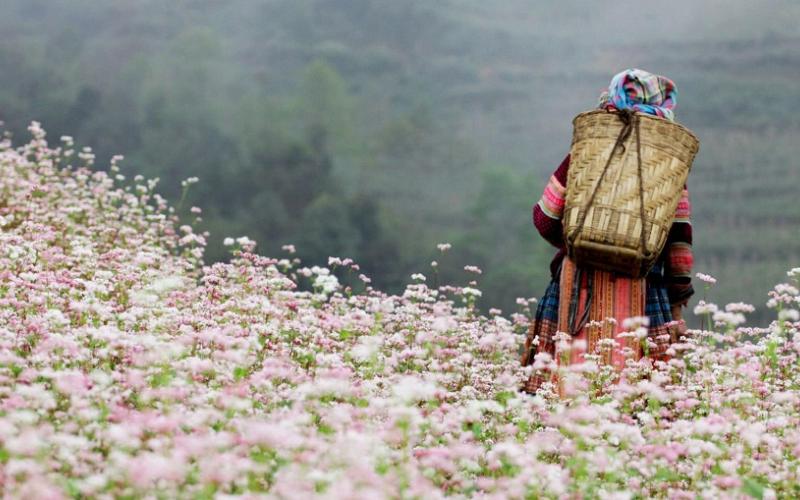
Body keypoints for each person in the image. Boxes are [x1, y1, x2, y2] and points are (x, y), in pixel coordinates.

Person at [520, 69, 694, 394]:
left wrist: (582, 244)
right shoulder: (670, 166)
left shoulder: (586, 152)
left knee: (559, 390)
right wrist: (677, 304)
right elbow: (679, 246)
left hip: (575, 287)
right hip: (645, 289)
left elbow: (545, 216)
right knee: (642, 400)